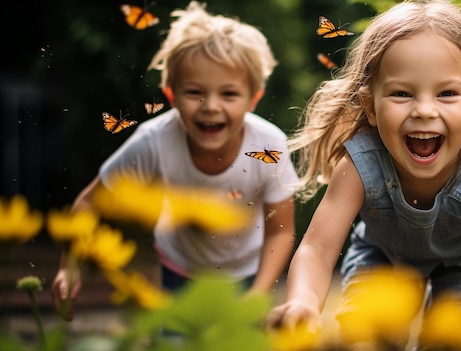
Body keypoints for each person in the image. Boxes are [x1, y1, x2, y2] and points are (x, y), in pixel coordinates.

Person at [267, 0, 461, 351]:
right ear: (370, 107)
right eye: (402, 93)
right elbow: (318, 249)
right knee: (364, 343)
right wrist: (303, 302)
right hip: (382, 256)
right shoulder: (359, 163)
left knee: (459, 346)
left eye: (446, 93)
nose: (425, 110)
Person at [52, 1, 299, 321]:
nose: (210, 106)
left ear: (253, 98)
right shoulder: (153, 141)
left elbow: (281, 230)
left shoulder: (270, 145)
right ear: (171, 95)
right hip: (179, 272)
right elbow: (89, 203)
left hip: (246, 274)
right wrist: (69, 266)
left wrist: (257, 294)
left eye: (228, 94)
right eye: (195, 92)